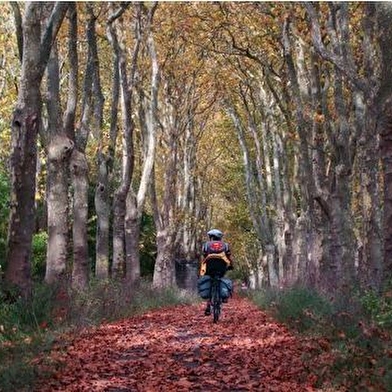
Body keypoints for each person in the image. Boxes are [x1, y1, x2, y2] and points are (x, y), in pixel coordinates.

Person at [199, 229, 233, 316]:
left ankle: (208, 304)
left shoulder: (206, 245)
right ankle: (223, 297)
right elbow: (228, 256)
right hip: (221, 266)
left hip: (209, 266)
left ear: (211, 237)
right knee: (221, 278)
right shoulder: (225, 245)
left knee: (209, 280)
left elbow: (204, 256)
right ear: (220, 237)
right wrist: (231, 265)